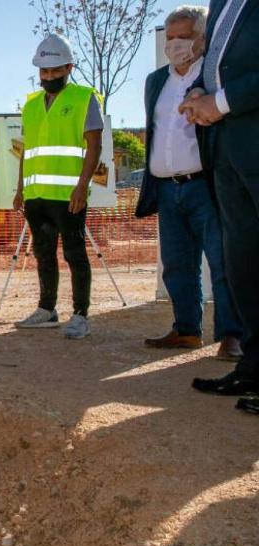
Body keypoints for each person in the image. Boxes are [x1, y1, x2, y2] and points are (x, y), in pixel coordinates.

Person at [142, 6, 243, 359]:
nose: (175, 44)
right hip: (167, 188)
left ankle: (232, 335)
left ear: (203, 39)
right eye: (170, 38)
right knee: (177, 265)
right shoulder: (156, 81)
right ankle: (186, 330)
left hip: (207, 186)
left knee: (222, 262)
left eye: (183, 37)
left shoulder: (214, 78)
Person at [179, 0, 259, 414]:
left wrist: (221, 102)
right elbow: (221, 64)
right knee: (243, 264)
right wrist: (199, 92)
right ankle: (254, 368)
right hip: (228, 149)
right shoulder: (221, 3)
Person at [13, 33, 103, 340]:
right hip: (37, 197)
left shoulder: (84, 98)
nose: (49, 76)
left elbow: (94, 145)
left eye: (55, 70)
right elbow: (27, 150)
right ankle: (47, 310)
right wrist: (20, 189)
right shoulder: (31, 105)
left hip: (68, 197)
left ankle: (80, 314)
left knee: (75, 254)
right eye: (45, 71)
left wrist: (82, 186)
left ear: (68, 68)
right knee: (43, 254)